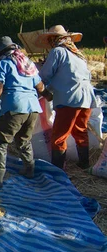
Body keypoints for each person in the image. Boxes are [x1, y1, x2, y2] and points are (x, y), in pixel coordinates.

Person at [0, 36, 47, 188]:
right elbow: (41, 87)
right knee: (23, 140)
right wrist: (52, 99)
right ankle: (29, 169)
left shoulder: (3, 64)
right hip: (33, 108)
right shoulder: (27, 64)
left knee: (0, 142)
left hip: (14, 107)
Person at [36, 25, 96, 169]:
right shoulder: (78, 54)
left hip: (69, 98)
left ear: (53, 39)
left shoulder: (57, 51)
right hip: (87, 98)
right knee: (80, 131)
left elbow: (45, 75)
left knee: (59, 135)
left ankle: (57, 169)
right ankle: (84, 164)